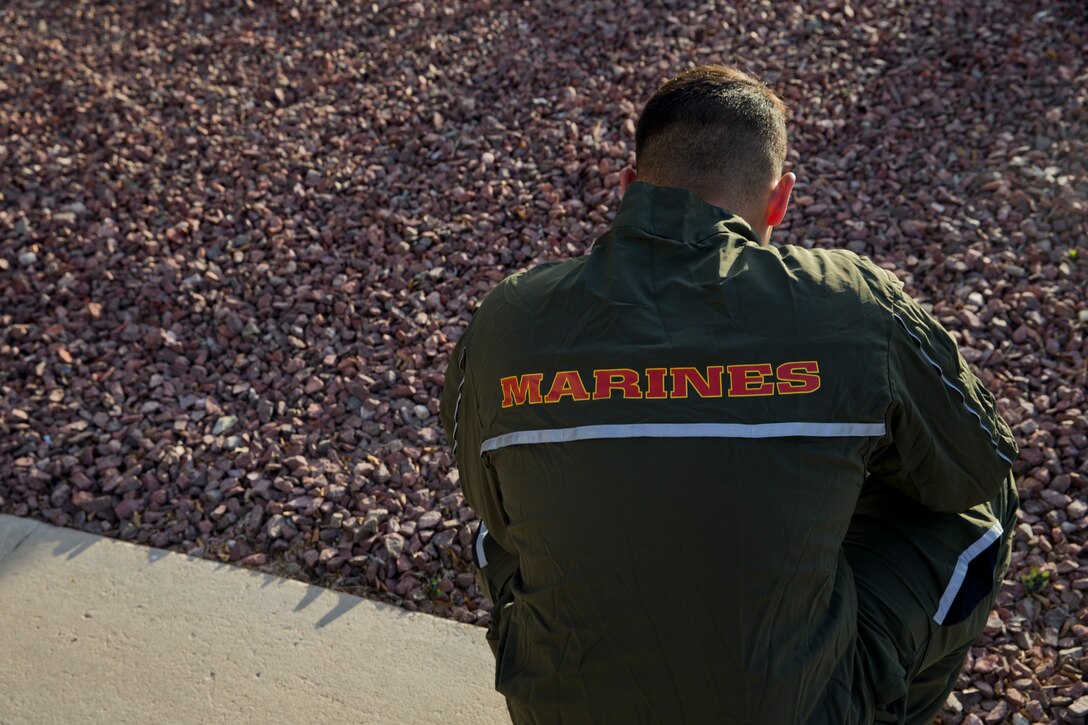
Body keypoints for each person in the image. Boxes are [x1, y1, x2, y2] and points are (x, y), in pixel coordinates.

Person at [440, 65, 1019, 724]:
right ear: (780, 200)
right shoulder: (851, 301)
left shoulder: (507, 318)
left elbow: (489, 502)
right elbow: (973, 462)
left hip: (555, 710)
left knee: (505, 509)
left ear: (628, 187)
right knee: (980, 503)